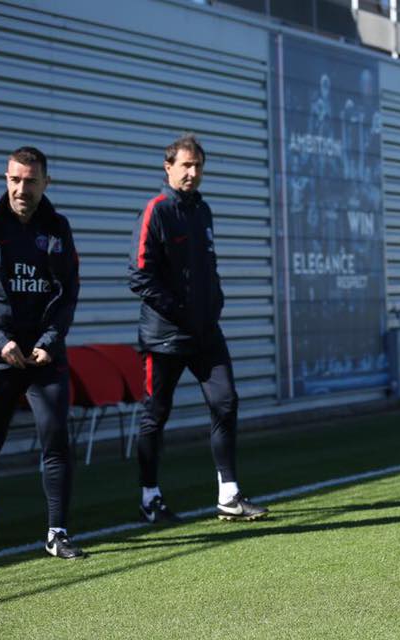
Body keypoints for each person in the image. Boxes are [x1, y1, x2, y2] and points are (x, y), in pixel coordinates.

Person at [129, 134, 267, 524]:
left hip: (206, 333)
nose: (192, 173)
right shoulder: (156, 211)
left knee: (226, 402)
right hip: (164, 337)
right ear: (168, 167)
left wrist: (213, 301)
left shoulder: (202, 210)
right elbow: (139, 275)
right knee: (155, 416)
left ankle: (229, 495)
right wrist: (179, 311)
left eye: (198, 166)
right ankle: (149, 496)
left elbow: (207, 266)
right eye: (185, 165)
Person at [0, 147, 83, 559]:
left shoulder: (58, 228)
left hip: (45, 356)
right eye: (14, 179)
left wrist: (48, 342)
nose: (21, 188)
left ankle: (57, 533)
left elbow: (67, 295)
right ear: (6, 178)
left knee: (56, 439)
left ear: (45, 182)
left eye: (30, 180)